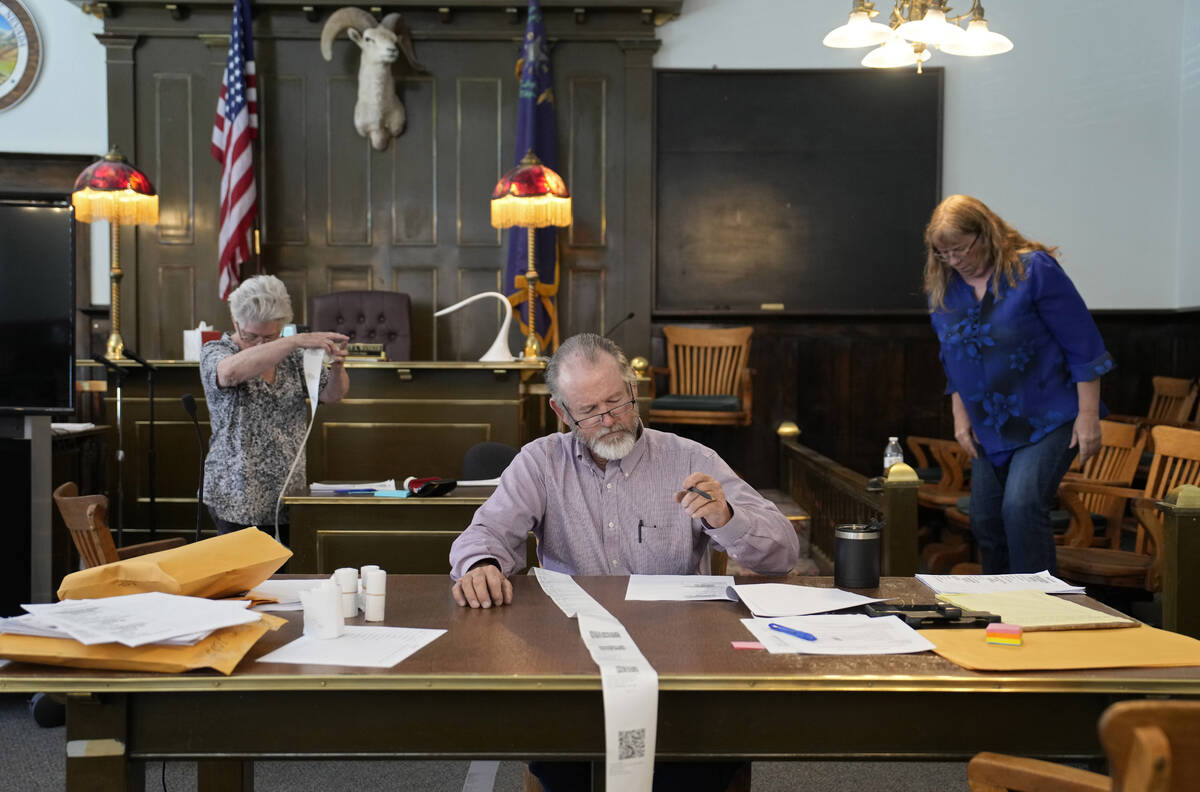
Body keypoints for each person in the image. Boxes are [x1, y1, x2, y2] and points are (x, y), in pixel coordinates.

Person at [448, 333, 799, 792]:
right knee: (562, 763)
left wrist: (727, 517)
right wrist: (481, 564)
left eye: (617, 401)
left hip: (678, 666)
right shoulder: (540, 463)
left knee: (702, 763)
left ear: (634, 389)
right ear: (561, 412)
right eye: (590, 411)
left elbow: (784, 554)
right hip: (574, 664)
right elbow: (484, 533)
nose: (609, 420)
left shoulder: (690, 458)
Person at [923, 194, 1115, 574]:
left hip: (1049, 416)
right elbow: (954, 358)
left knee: (1022, 506)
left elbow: (1083, 344)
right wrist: (960, 418)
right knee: (986, 520)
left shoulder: (1032, 271)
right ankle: (1002, 608)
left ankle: (1040, 607)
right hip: (989, 427)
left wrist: (1089, 416)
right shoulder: (945, 289)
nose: (954, 261)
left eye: (960, 249)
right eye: (943, 253)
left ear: (986, 233)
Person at [199, 275, 350, 544]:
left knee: (288, 582)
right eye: (250, 335)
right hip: (237, 496)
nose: (260, 343)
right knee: (244, 584)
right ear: (235, 321)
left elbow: (332, 394)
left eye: (270, 336)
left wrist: (337, 367)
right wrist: (291, 341)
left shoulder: (292, 358)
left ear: (281, 327)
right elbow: (229, 373)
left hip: (288, 493)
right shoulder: (217, 350)